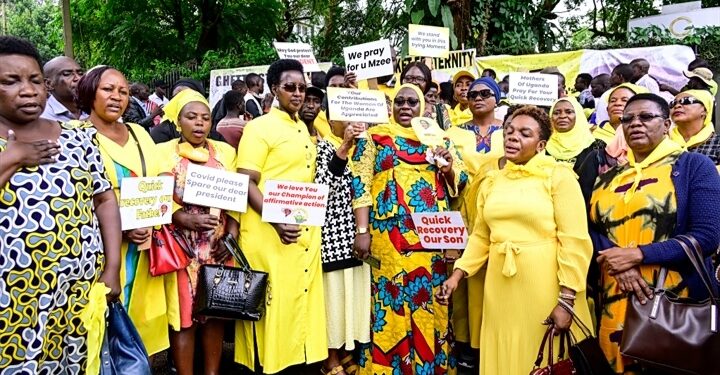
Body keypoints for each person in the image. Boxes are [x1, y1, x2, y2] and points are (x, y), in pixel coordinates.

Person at [440, 105, 594, 375]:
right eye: (509, 131)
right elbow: (481, 236)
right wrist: (458, 275)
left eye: (524, 133)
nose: (512, 137)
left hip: (546, 287)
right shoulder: (491, 182)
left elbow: (575, 241)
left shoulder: (559, 177)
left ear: (541, 144)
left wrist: (567, 299)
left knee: (545, 358)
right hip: (499, 288)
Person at [0, 36, 121, 372]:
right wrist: (12, 159)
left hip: (78, 293)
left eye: (35, 80)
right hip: (12, 301)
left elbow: (105, 199)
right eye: (11, 81)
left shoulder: (79, 136)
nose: (28, 90)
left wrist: (112, 267)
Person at [588, 93, 720, 373]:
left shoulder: (693, 167)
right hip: (615, 294)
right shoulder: (609, 177)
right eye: (628, 119)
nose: (635, 123)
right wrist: (620, 264)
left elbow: (708, 236)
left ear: (667, 123)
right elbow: (592, 228)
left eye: (646, 117)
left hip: (673, 302)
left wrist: (639, 255)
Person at [351, 83, 468, 374]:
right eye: (400, 101)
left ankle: (429, 366)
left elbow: (460, 181)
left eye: (411, 102)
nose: (405, 106)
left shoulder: (438, 139)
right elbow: (360, 185)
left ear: (423, 107)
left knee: (427, 296)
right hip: (388, 236)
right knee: (391, 296)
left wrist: (448, 167)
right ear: (392, 106)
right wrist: (362, 230)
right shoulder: (374, 137)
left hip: (430, 236)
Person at [73, 65, 175, 359]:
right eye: (108, 89)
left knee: (138, 333)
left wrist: (151, 214)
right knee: (100, 337)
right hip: (100, 250)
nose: (116, 97)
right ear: (90, 91)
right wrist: (121, 227)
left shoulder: (139, 133)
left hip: (144, 246)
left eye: (123, 91)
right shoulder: (75, 136)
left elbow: (162, 175)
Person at [234, 59, 327, 374]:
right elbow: (247, 182)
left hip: (300, 232)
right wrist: (276, 220)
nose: (298, 94)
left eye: (302, 87)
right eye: (290, 87)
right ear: (274, 89)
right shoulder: (259, 128)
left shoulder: (303, 126)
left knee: (296, 307)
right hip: (268, 233)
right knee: (272, 309)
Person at [155, 89, 239, 375]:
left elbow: (237, 200)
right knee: (183, 317)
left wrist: (232, 237)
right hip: (181, 249)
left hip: (217, 247)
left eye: (204, 117)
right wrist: (180, 217)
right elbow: (155, 198)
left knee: (214, 313)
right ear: (178, 121)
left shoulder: (225, 152)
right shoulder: (162, 153)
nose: (199, 124)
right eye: (191, 117)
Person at [315, 118, 370, 375]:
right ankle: (330, 355)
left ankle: (347, 350)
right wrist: (345, 146)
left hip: (358, 231)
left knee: (352, 295)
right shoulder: (323, 146)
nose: (349, 119)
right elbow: (326, 185)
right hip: (332, 233)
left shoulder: (369, 144)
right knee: (334, 297)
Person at [150, 82, 226, 144]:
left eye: (205, 118)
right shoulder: (160, 134)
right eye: (191, 117)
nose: (199, 122)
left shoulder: (219, 143)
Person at [448, 77, 504, 156]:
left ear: (496, 100)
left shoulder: (510, 130)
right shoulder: (453, 133)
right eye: (473, 95)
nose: (478, 98)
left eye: (485, 93)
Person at [669, 89, 719, 167]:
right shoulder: (662, 141)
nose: (677, 106)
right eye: (673, 103)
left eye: (687, 101)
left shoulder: (717, 143)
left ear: (705, 110)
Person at [399, 61, 452, 129]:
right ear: (401, 80)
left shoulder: (439, 110)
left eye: (419, 79)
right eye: (408, 78)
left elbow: (447, 135)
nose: (414, 82)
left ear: (427, 83)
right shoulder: (393, 107)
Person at [40, 56, 87, 122]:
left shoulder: (95, 109)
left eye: (80, 73)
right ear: (48, 84)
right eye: (67, 74)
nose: (78, 78)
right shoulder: (42, 117)